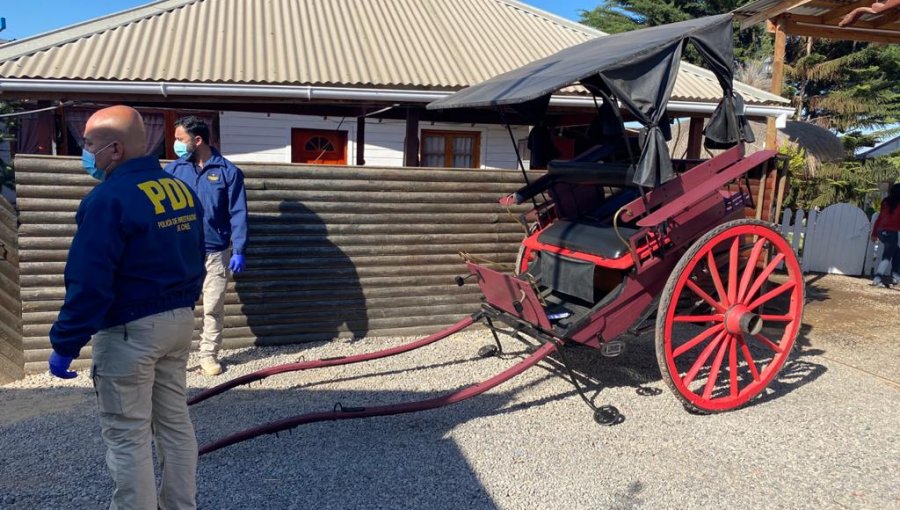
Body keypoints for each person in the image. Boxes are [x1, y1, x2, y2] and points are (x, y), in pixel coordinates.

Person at [48, 106, 206, 509]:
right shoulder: (179, 189)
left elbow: (88, 280)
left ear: (114, 150)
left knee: (128, 433)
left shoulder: (108, 199)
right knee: (174, 422)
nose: (85, 152)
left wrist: (66, 342)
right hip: (178, 321)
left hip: (130, 330)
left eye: (88, 145)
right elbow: (195, 254)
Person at [165, 116, 248, 376]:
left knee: (213, 306)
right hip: (181, 253)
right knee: (177, 308)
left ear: (197, 140)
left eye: (180, 139)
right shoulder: (173, 171)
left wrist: (239, 249)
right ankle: (173, 358)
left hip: (216, 252)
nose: (176, 144)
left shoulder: (227, 172)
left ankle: (208, 356)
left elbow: (238, 213)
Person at [871, 183, 900, 288]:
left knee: (896, 252)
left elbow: (879, 218)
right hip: (891, 233)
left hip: (881, 231)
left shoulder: (886, 202)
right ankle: (877, 278)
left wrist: (874, 233)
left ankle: (896, 277)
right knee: (887, 257)